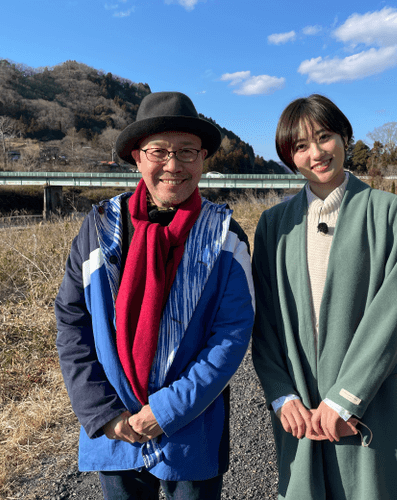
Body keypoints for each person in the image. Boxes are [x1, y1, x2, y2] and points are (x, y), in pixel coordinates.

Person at [55, 91, 255, 500]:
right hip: (117, 425)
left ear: (202, 159)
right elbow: (71, 321)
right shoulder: (99, 229)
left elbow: (232, 333)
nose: (173, 165)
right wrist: (102, 413)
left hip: (192, 424)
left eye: (187, 152)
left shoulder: (225, 236)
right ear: (136, 156)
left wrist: (167, 411)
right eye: (159, 151)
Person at [251, 94, 397, 500]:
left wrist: (345, 399)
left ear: (345, 137)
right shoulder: (273, 224)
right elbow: (264, 319)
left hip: (370, 395)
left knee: (371, 488)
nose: (316, 153)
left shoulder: (389, 211)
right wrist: (281, 393)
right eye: (300, 146)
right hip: (301, 403)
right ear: (289, 157)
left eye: (324, 137)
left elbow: (390, 314)